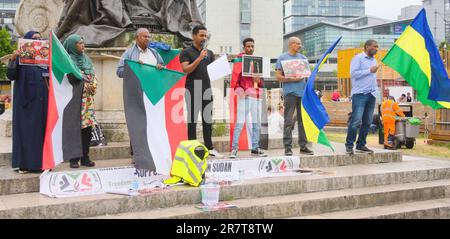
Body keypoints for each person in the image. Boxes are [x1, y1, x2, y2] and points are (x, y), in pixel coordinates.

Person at [116, 28, 165, 165]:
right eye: (145, 37)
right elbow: (119, 71)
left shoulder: (154, 53)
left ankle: (152, 152)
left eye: (149, 36)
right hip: (136, 94)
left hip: (152, 95)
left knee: (151, 124)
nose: (148, 39)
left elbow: (163, 67)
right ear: (137, 38)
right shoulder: (129, 53)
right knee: (136, 124)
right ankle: (136, 154)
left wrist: (161, 67)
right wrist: (133, 67)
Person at [7, 31, 48, 174]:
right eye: (35, 39)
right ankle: (23, 164)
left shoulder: (44, 58)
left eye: (40, 39)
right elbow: (11, 76)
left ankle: (41, 164)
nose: (38, 41)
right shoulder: (20, 57)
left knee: (40, 132)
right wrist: (13, 59)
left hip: (41, 102)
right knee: (25, 133)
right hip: (25, 104)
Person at [180, 25, 223, 158]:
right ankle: (192, 148)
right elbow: (185, 69)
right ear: (194, 36)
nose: (204, 38)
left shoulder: (209, 53)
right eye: (201, 35)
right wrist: (199, 58)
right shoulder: (186, 52)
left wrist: (222, 66)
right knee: (192, 120)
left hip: (207, 89)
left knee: (207, 120)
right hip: (192, 88)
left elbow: (211, 70)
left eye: (205, 36)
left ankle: (209, 148)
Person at [63, 34, 98, 168]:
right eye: (79, 43)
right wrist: (84, 83)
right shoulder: (67, 61)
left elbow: (93, 74)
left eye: (83, 42)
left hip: (87, 101)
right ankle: (74, 158)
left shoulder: (86, 59)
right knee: (74, 129)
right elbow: (68, 79)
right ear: (72, 45)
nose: (82, 45)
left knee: (87, 129)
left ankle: (85, 157)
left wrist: (93, 84)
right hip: (74, 100)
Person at [275, 37, 314, 156]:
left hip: (303, 94)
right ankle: (287, 148)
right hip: (290, 94)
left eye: (300, 44)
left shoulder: (303, 58)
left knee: (303, 121)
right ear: (291, 44)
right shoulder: (282, 58)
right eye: (298, 44)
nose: (300, 46)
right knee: (288, 121)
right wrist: (291, 79)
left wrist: (310, 76)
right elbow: (277, 76)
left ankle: (303, 146)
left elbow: (308, 75)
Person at [230, 38, 267, 159]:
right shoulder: (239, 61)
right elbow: (235, 80)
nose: (250, 48)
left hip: (256, 96)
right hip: (245, 97)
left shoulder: (257, 62)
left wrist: (258, 80)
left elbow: (261, 82)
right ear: (244, 47)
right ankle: (234, 149)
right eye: (248, 46)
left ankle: (255, 148)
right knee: (240, 123)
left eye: (252, 46)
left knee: (256, 124)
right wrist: (241, 93)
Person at [345, 40, 379, 155]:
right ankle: (349, 145)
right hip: (360, 94)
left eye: (377, 47)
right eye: (374, 46)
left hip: (371, 94)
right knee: (355, 121)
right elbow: (353, 74)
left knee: (368, 122)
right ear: (367, 46)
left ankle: (361, 145)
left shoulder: (374, 60)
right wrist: (369, 70)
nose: (376, 48)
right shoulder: (358, 58)